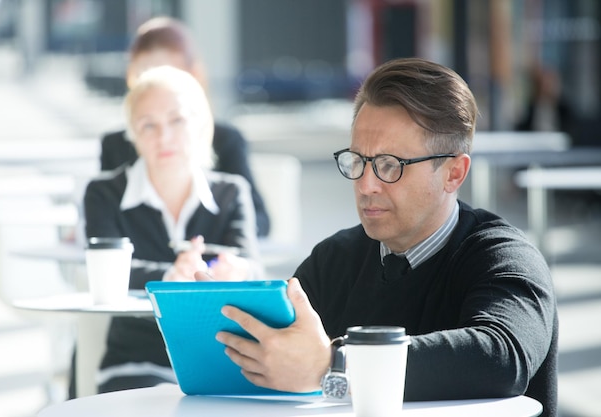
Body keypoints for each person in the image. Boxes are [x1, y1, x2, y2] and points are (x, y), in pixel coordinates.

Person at [206, 58, 558, 417]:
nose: (365, 184)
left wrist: (334, 364)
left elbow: (501, 357)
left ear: (454, 173)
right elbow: (275, 353)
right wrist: (213, 305)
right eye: (358, 160)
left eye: (390, 165)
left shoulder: (504, 257)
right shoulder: (334, 260)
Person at [83, 65, 261, 394]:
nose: (163, 137)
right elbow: (106, 273)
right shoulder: (103, 193)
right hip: (136, 362)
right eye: (148, 125)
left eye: (176, 120)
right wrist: (170, 277)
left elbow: (251, 265)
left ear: (200, 124)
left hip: (220, 359)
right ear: (133, 135)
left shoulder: (232, 192)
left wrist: (238, 271)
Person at [100, 16, 270, 237]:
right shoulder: (115, 144)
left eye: (169, 75)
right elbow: (106, 217)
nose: (157, 87)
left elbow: (258, 220)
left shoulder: (226, 141)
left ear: (194, 76)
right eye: (145, 78)